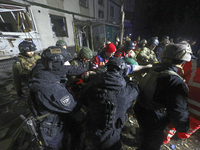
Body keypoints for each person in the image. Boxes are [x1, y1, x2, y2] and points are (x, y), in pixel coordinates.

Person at [133, 41, 192, 150]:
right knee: (151, 145)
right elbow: (178, 111)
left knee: (144, 137)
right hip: (154, 120)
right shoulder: (175, 81)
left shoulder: (154, 69)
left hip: (140, 110)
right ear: (182, 61)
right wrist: (184, 128)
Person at [28, 46, 84, 150]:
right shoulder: (52, 88)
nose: (68, 64)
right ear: (57, 64)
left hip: (50, 118)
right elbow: (72, 107)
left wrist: (85, 71)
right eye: (66, 62)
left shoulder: (42, 69)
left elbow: (69, 69)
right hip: (52, 129)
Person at [80, 57, 140, 150]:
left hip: (91, 128)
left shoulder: (92, 84)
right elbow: (136, 88)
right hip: (111, 135)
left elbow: (84, 99)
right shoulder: (126, 92)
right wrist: (127, 79)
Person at [163, 54, 200, 144]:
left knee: (172, 122)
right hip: (197, 115)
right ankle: (179, 137)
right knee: (188, 129)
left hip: (185, 103)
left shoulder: (194, 64)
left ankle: (163, 139)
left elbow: (178, 74)